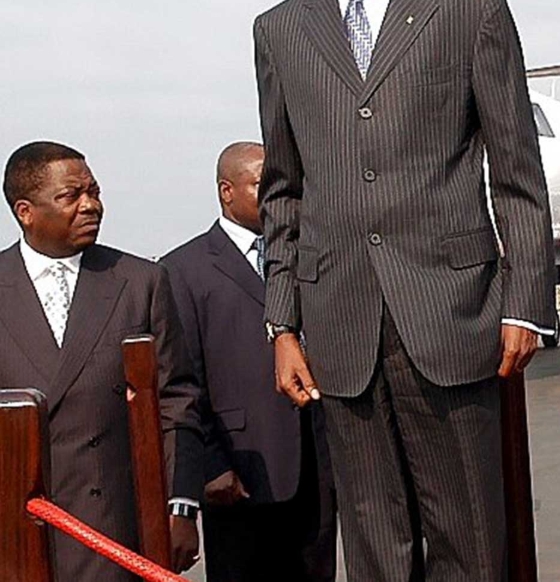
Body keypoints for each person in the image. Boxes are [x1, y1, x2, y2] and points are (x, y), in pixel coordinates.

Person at [254, 0, 556, 580]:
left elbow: (517, 171)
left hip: (451, 312)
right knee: (375, 544)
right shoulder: (282, 29)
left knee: (469, 537)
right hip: (339, 324)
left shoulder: (469, 5)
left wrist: (524, 303)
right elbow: (283, 189)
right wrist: (282, 323)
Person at [0, 141, 203, 579]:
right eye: (71, 196)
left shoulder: (139, 282)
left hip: (115, 533)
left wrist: (181, 506)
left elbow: (178, 402)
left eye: (94, 192)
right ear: (25, 211)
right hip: (16, 536)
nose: (90, 205)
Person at [160, 142, 337, 581]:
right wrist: (211, 464)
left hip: (319, 462)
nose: (277, 195)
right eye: (263, 184)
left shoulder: (304, 255)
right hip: (241, 473)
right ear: (227, 191)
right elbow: (183, 381)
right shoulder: (182, 270)